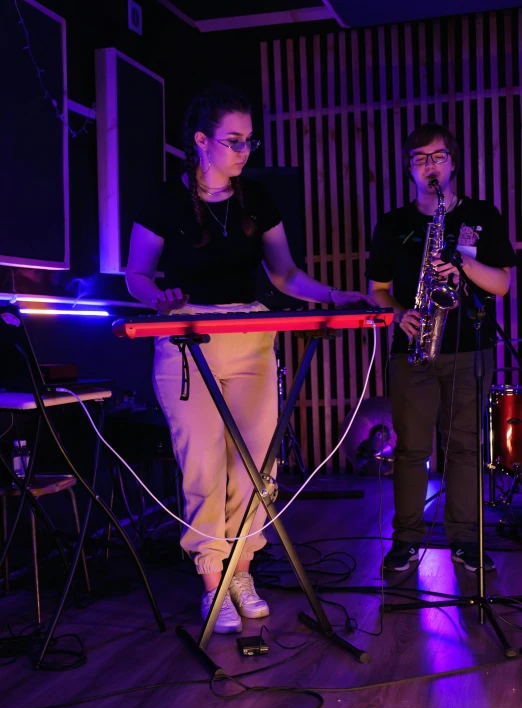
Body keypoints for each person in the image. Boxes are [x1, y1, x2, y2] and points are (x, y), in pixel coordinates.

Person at [126, 85, 375, 632]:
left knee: (256, 461)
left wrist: (336, 298)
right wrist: (157, 298)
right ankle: (212, 574)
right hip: (188, 340)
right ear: (201, 142)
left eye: (249, 141)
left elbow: (285, 275)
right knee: (202, 462)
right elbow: (137, 274)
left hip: (253, 334)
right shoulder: (163, 200)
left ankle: (242, 566)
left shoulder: (256, 199)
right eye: (232, 141)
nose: (243, 151)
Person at [366, 122, 517, 573]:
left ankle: (467, 541)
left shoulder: (483, 216)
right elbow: (377, 289)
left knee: (466, 449)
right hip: (413, 346)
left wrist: (462, 267)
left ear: (452, 162)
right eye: (419, 159)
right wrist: (397, 313)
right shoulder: (393, 224)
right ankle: (406, 540)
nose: (429, 166)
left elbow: (503, 285)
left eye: (437, 157)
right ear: (409, 169)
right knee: (412, 450)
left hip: (470, 346)